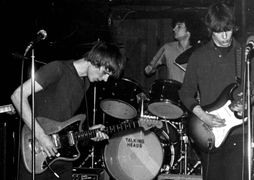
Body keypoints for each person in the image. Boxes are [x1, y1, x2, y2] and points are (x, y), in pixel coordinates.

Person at [11, 41, 125, 180]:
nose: (106, 79)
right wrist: (41, 135)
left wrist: (89, 133)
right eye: (105, 72)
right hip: (37, 149)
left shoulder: (85, 83)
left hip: (62, 157)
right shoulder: (57, 69)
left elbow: (64, 124)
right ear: (96, 61)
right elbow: (17, 95)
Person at [179, 2, 254, 180]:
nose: (225, 35)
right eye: (219, 31)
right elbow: (185, 92)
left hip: (238, 132)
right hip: (208, 131)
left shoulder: (245, 55)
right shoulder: (198, 57)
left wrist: (248, 103)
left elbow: (253, 91)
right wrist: (203, 116)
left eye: (228, 29)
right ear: (210, 30)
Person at [144, 15, 199, 83]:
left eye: (179, 26)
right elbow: (151, 67)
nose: (174, 29)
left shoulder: (198, 51)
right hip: (171, 91)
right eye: (174, 26)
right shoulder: (166, 48)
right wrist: (150, 69)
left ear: (188, 32)